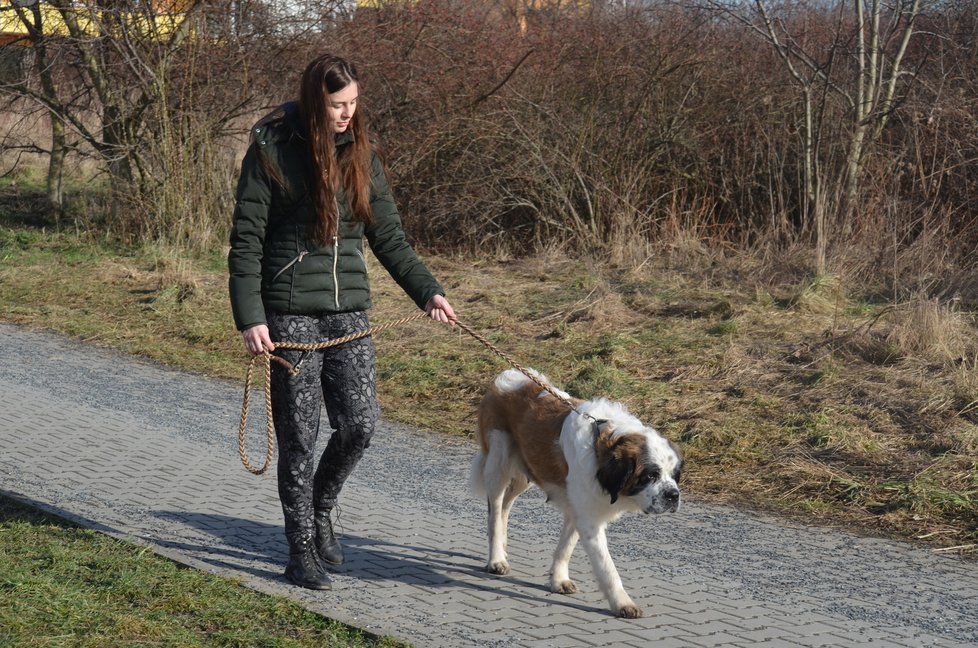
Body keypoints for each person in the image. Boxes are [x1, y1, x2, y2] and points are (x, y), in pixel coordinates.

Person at [228, 54, 456, 590]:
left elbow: (390, 238)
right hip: (288, 314)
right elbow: (245, 242)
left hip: (349, 312)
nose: (348, 114)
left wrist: (430, 292)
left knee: (360, 425)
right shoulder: (271, 149)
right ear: (315, 102)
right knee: (300, 439)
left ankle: (322, 508)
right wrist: (250, 316)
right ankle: (300, 549)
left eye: (353, 102)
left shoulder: (362, 153)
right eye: (337, 105)